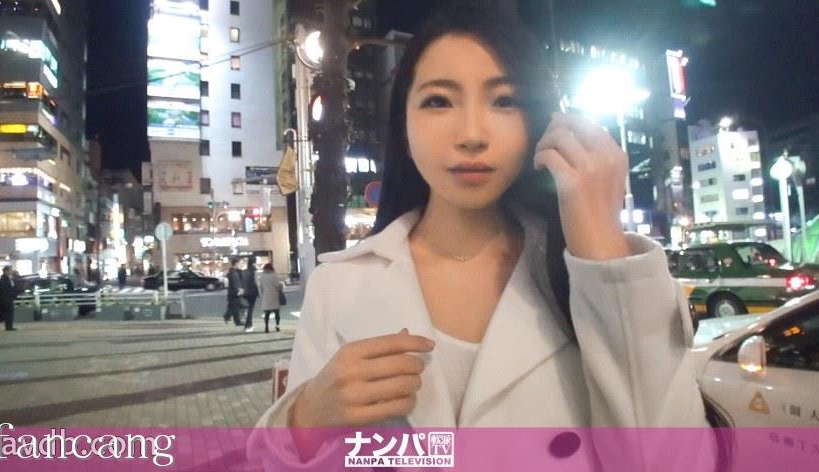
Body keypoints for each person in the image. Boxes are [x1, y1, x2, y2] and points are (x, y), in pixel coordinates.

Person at [252, 1, 723, 468]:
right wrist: (303, 424)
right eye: (438, 101)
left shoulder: (588, 275)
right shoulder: (340, 288)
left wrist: (603, 253)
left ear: (536, 124)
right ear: (404, 130)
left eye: (504, 101)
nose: (472, 135)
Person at [257, 263, 282, 333]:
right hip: (274, 295)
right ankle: (277, 326)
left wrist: (261, 296)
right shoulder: (274, 275)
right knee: (276, 313)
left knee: (267, 313)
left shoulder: (262, 275)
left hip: (266, 296)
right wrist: (280, 287)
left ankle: (266, 327)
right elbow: (277, 285)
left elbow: (260, 287)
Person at [0, 266, 17, 331]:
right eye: (10, 270)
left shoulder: (7, 278)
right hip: (6, 298)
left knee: (9, 312)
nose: (11, 272)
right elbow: (5, 289)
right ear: (6, 271)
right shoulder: (4, 278)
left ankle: (9, 326)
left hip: (8, 298)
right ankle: (8, 326)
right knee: (8, 312)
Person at [241, 256, 259, 333]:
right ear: (254, 263)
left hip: (245, 292)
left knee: (248, 308)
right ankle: (248, 325)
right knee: (250, 309)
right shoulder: (255, 271)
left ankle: (248, 324)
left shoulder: (244, 272)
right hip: (253, 292)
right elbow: (257, 282)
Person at [224, 258, 243, 326]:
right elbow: (235, 283)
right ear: (236, 264)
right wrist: (238, 291)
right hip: (234, 292)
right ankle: (235, 320)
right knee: (235, 306)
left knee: (234, 306)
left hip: (233, 292)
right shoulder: (233, 273)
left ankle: (231, 318)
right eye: (240, 263)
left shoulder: (233, 272)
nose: (241, 265)